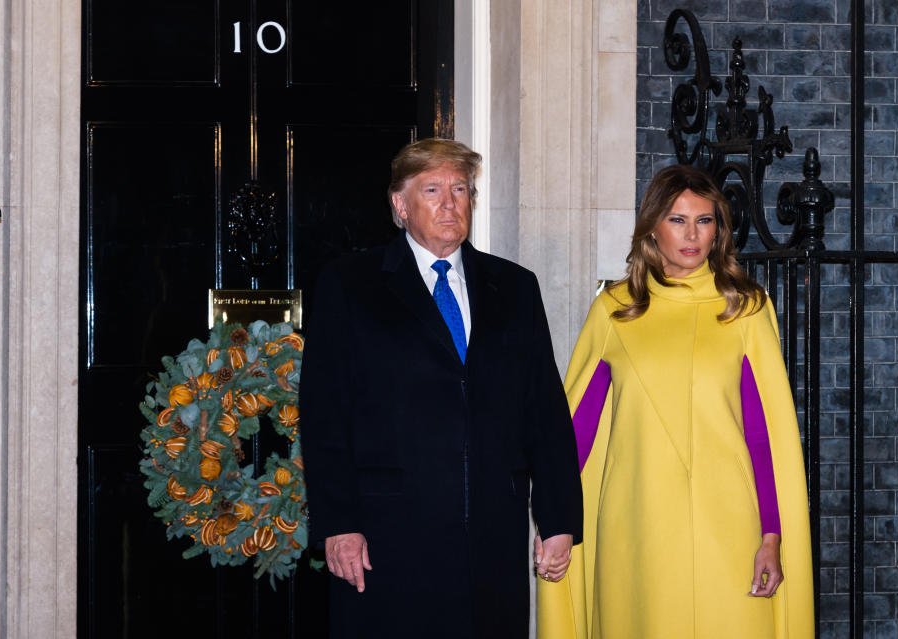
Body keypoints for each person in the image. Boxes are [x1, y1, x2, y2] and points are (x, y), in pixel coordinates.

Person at [300, 138, 583, 638]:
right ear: (400, 204)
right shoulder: (350, 285)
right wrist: (337, 523)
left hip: (492, 536)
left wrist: (558, 517)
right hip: (388, 538)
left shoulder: (515, 287)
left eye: (460, 189)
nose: (451, 203)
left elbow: (544, 411)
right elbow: (325, 415)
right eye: (433, 189)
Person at [537, 164, 814, 638]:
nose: (692, 235)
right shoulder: (615, 310)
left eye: (704, 221)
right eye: (677, 220)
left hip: (728, 525)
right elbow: (575, 435)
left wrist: (772, 537)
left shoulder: (746, 307)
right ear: (652, 228)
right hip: (636, 525)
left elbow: (763, 433)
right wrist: (555, 521)